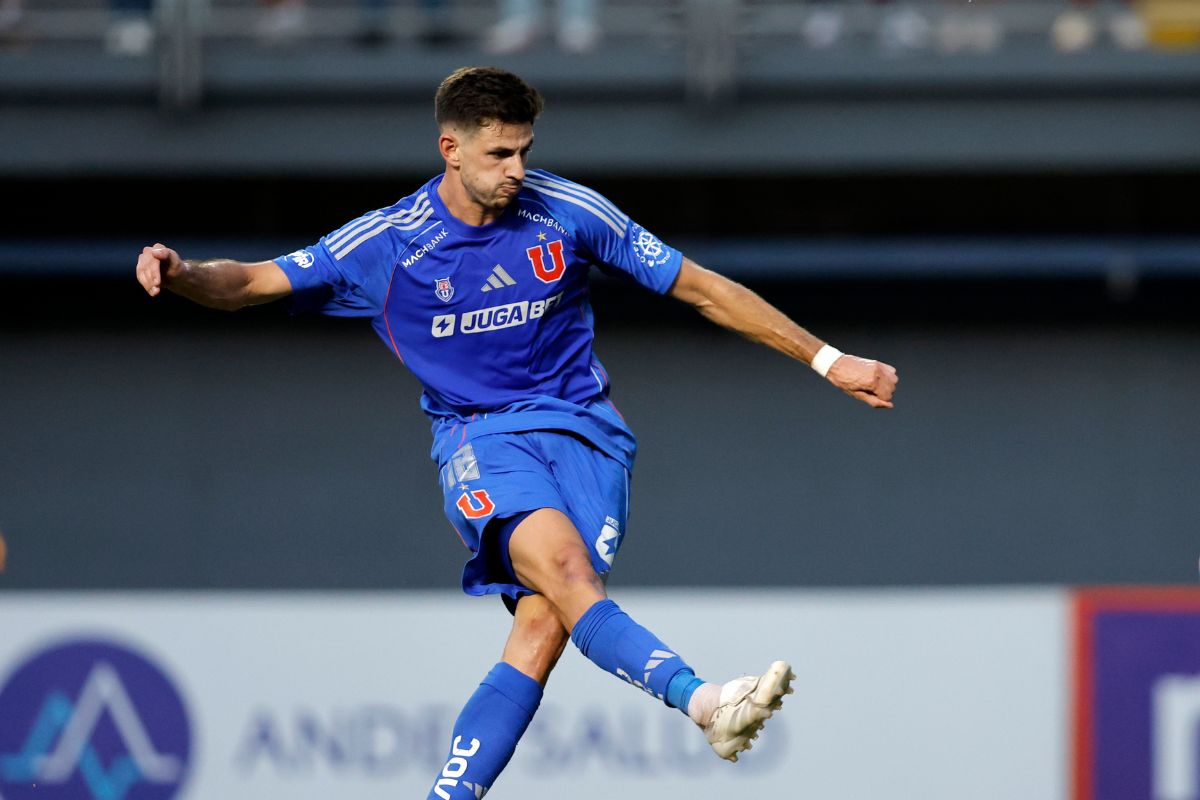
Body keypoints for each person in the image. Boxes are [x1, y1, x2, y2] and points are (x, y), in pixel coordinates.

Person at [134, 66, 899, 797]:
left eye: (524, 150)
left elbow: (698, 287)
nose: (515, 168)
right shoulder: (389, 243)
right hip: (482, 439)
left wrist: (825, 358)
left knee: (543, 626)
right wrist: (183, 271)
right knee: (567, 575)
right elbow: (252, 282)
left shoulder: (565, 210)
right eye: (499, 153)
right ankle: (704, 702)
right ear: (451, 148)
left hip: (591, 440)